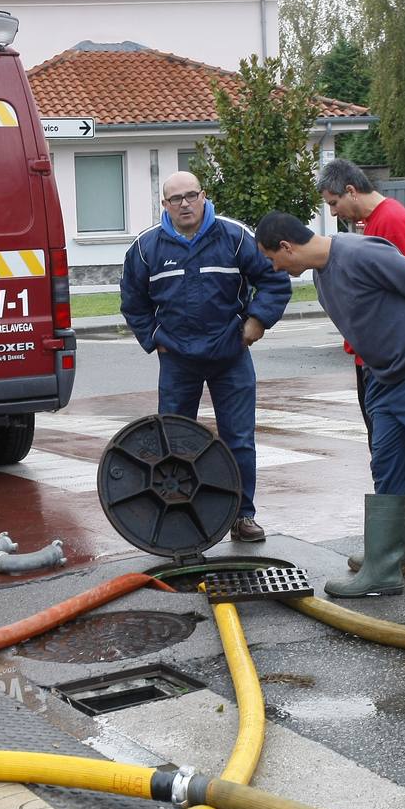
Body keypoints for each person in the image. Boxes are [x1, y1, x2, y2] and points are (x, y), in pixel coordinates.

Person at [253, 210, 405, 603]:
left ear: (286, 247)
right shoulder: (320, 276)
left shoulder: (361, 253)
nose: (274, 267)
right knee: (387, 468)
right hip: (385, 377)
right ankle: (382, 569)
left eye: (271, 259)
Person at [120, 172, 291, 542]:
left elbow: (275, 279)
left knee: (239, 439)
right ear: (164, 205)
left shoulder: (234, 237)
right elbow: (133, 302)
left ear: (203, 196)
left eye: (191, 195)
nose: (184, 203)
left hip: (230, 354)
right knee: (174, 441)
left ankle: (242, 516)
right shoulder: (147, 248)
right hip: (178, 360)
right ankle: (181, 518)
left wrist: (257, 322)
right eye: (175, 198)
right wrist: (154, 338)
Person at [318, 159, 405, 577]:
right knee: (392, 449)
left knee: (392, 450)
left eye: (334, 203)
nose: (333, 213)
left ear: (351, 190)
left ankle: (398, 548)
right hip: (375, 355)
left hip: (389, 358)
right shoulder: (373, 224)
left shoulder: (392, 222)